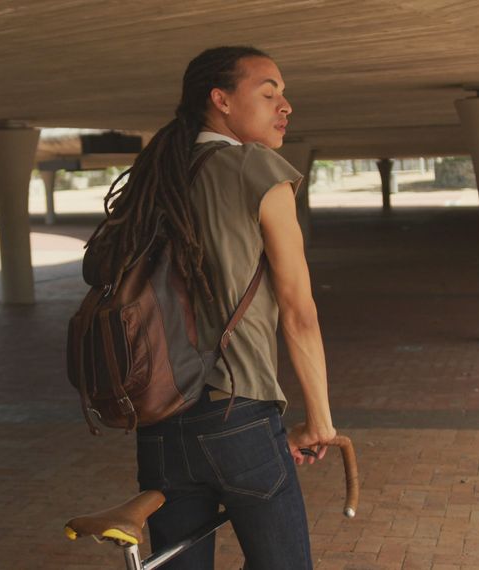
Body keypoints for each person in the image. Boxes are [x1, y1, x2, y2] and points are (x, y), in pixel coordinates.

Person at [97, 45, 335, 569]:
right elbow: (300, 312)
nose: (285, 105)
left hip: (159, 419)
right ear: (220, 100)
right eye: (269, 92)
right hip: (238, 411)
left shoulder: (156, 176)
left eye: (284, 95)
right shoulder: (256, 168)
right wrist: (319, 420)